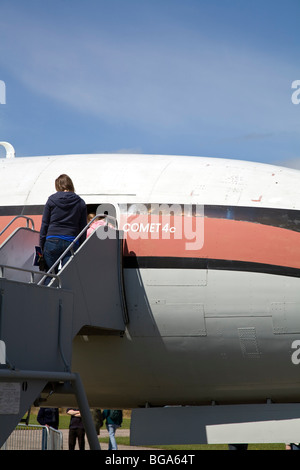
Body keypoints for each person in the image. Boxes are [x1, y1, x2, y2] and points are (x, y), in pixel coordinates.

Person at [39, 174, 87, 279]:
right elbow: (83, 227)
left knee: (50, 275)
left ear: (58, 186)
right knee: (66, 277)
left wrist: (42, 245)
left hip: (52, 241)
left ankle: (49, 294)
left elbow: (45, 224)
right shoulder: (80, 202)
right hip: (71, 242)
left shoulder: (51, 200)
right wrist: (81, 245)